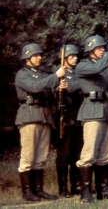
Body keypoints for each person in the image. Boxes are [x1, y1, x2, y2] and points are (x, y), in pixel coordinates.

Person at [75, 35, 108, 203]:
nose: (102, 49)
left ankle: (103, 189)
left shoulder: (106, 67)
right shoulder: (82, 66)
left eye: (104, 47)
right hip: (92, 110)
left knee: (107, 152)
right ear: (90, 50)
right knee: (89, 152)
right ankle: (85, 192)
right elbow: (96, 70)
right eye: (99, 48)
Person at [16, 43, 66, 202]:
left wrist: (58, 87)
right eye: (35, 56)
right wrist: (55, 77)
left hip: (44, 116)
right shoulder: (22, 74)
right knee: (28, 156)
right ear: (27, 58)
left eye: (39, 55)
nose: (39, 58)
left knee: (41, 157)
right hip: (29, 115)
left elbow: (48, 92)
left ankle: (38, 190)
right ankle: (27, 191)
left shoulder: (43, 74)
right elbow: (35, 87)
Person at [54, 44, 84, 198]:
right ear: (64, 59)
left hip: (78, 118)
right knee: (64, 155)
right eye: (71, 56)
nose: (75, 58)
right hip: (65, 118)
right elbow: (69, 89)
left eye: (76, 55)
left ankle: (75, 186)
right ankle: (62, 187)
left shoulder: (77, 73)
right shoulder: (60, 73)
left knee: (77, 154)